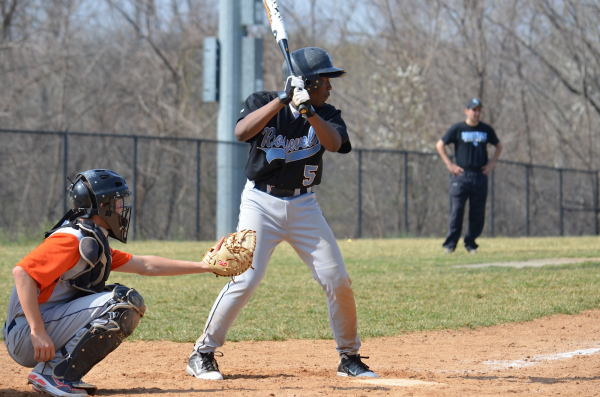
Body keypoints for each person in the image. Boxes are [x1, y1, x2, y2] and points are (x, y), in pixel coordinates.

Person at [187, 47, 378, 380]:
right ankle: (202, 353)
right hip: (260, 203)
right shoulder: (263, 100)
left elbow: (335, 144)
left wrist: (309, 113)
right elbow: (241, 132)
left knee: (337, 280)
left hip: (304, 206)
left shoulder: (327, 113)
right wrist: (281, 100)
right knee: (246, 277)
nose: (330, 88)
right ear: (310, 81)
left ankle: (349, 357)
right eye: (326, 81)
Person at [3, 169, 224, 396]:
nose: (122, 208)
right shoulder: (72, 239)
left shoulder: (92, 240)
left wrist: (204, 265)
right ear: (101, 205)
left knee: (122, 299)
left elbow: (145, 265)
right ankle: (54, 375)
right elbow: (22, 273)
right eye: (117, 201)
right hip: (28, 334)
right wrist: (37, 331)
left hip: (41, 326)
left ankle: (52, 373)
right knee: (123, 303)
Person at [436, 98, 502, 254]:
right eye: (474, 110)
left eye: (479, 110)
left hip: (479, 175)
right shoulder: (458, 129)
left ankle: (471, 244)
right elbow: (440, 145)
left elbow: (498, 146)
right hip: (461, 176)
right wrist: (449, 164)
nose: (477, 113)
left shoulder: (486, 129)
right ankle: (450, 245)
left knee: (477, 212)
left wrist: (491, 164)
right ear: (467, 111)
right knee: (457, 211)